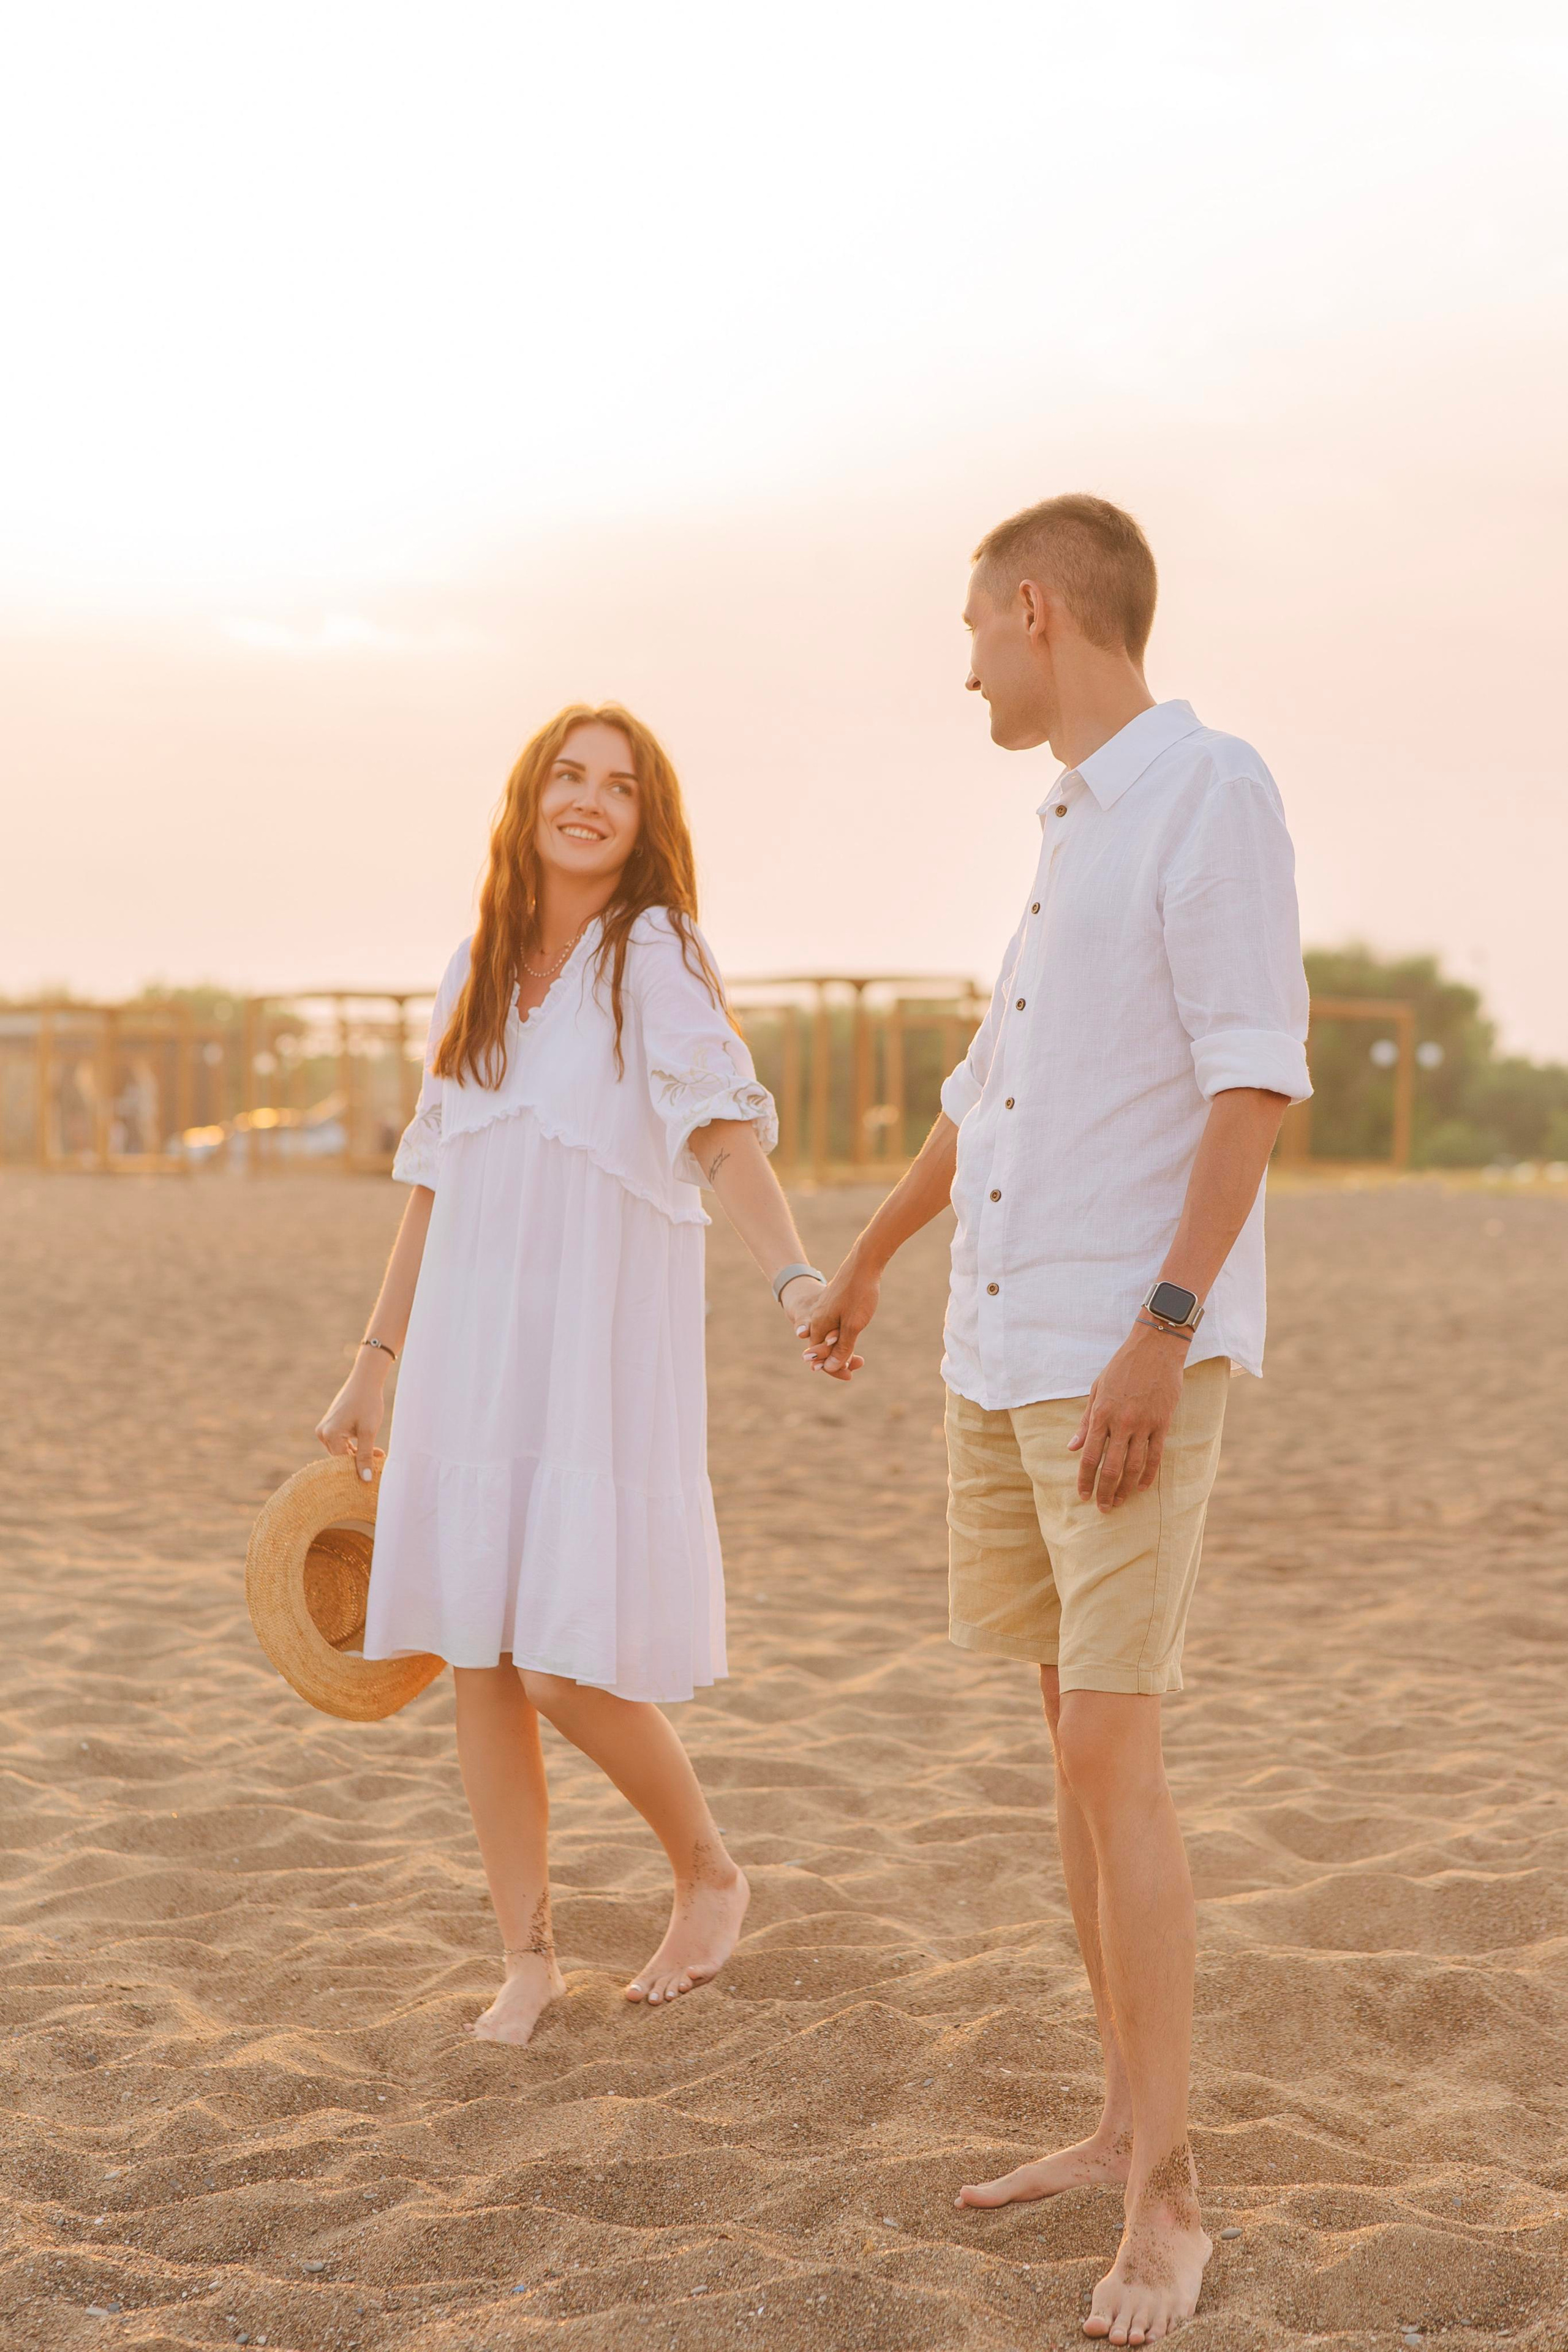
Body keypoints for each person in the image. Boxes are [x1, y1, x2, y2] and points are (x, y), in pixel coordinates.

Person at [801, 496, 1311, 2347]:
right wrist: (865, 1261)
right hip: (996, 1358)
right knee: (1064, 1754)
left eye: (973, 631)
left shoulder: (1210, 792)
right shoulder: (1066, 824)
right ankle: (1117, 2122)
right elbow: (987, 1097)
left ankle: (1171, 2203)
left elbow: (1255, 1081)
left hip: (1120, 1365)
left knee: (1119, 1756)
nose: (965, 667)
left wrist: (1163, 1333)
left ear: (1038, 609)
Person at [316, 704, 837, 2046]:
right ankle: (527, 1958)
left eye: (620, 785)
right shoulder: (472, 971)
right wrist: (375, 1361)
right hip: (469, 1351)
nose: (591, 799)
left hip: (588, 1353)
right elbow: (431, 1185)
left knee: (554, 1662)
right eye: (569, 775)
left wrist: (790, 1274)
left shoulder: (651, 952)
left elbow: (720, 1137)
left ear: (644, 820)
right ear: (529, 798)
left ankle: (709, 1870)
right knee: (478, 1658)